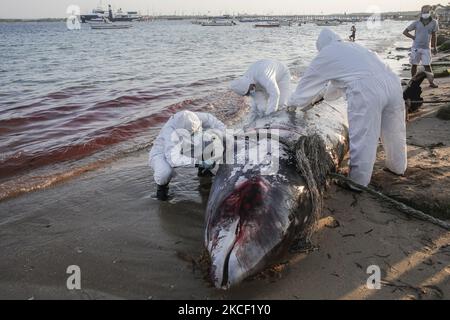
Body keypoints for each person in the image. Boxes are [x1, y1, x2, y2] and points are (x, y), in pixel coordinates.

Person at [288, 28, 407, 188]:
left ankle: (357, 182)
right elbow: (335, 87)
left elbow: (304, 89)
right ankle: (397, 167)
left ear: (321, 46)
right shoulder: (353, 47)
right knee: (394, 131)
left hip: (368, 90)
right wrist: (319, 98)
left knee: (363, 136)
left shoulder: (325, 54)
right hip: (392, 82)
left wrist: (291, 105)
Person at [149, 110, 226, 201]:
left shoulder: (196, 117)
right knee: (164, 173)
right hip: (164, 152)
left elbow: (219, 126)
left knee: (211, 137)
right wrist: (199, 163)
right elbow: (173, 159)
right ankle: (162, 190)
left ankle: (204, 172)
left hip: (188, 147)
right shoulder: (169, 132)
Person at [403, 5, 439, 88]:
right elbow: (405, 32)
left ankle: (431, 82)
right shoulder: (417, 22)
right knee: (414, 65)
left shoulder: (434, 22)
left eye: (427, 12)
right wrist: (413, 37)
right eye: (423, 12)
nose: (425, 13)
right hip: (416, 47)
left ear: (430, 12)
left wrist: (434, 47)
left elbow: (434, 35)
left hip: (426, 48)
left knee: (427, 65)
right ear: (421, 12)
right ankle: (412, 82)